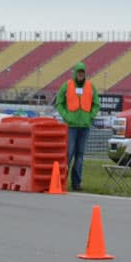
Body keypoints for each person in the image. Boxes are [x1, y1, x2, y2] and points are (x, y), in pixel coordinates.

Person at [54, 61, 96, 190]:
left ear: (85, 74)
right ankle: (62, 181)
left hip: (84, 126)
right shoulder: (66, 86)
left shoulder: (90, 86)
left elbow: (96, 104)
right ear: (75, 73)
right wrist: (66, 116)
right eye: (78, 72)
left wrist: (90, 116)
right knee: (68, 154)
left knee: (80, 156)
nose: (80, 75)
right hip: (71, 126)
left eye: (82, 72)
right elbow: (59, 103)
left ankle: (76, 183)